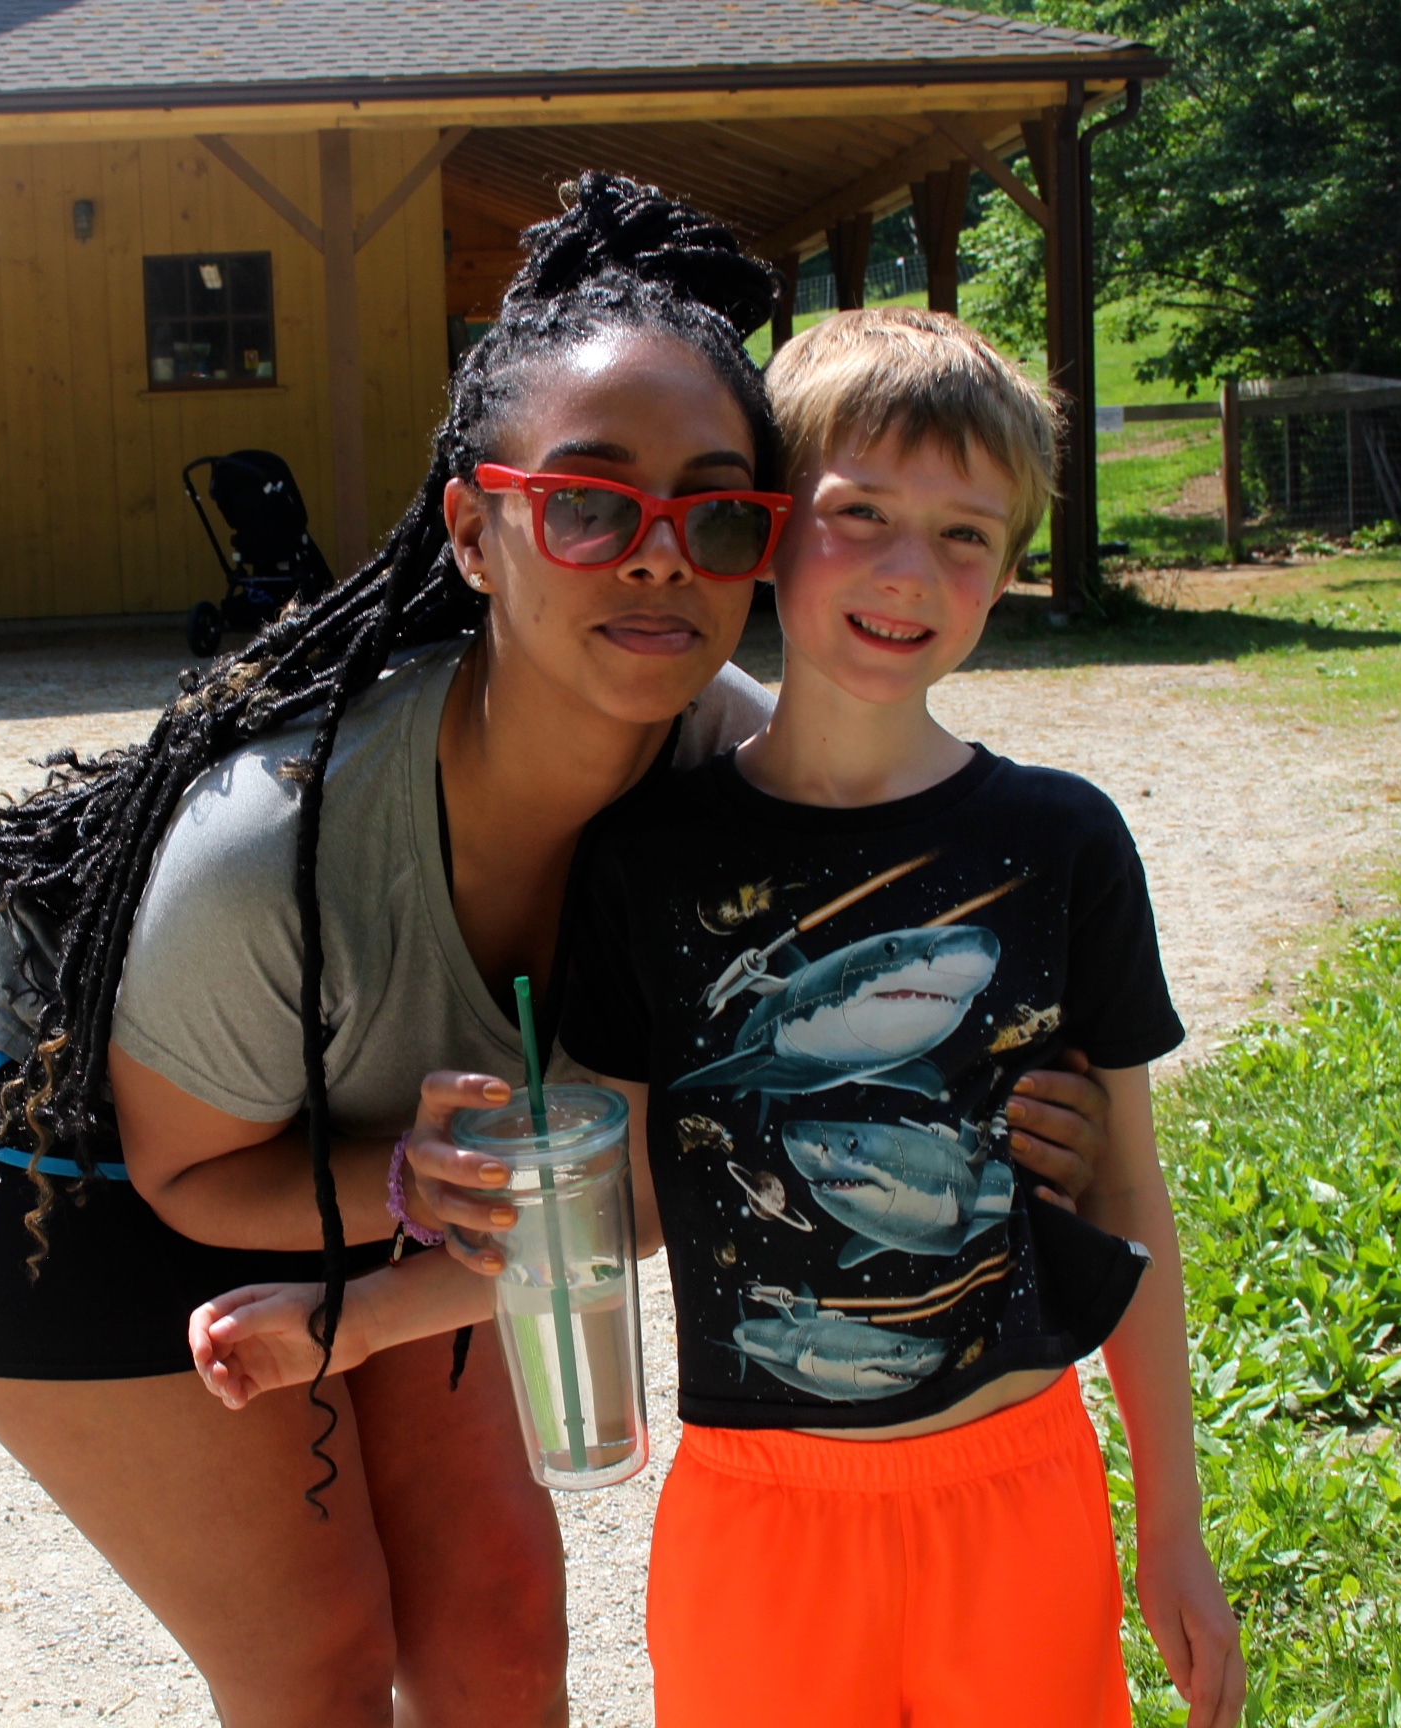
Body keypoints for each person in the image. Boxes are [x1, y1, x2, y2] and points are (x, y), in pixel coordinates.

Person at [0, 182, 1118, 1728]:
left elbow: (710, 1132)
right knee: (317, 1649)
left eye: (718, 511)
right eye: (588, 504)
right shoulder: (275, 845)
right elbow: (195, 1172)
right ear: (474, 531)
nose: (656, 558)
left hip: (376, 1121)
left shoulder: (734, 792)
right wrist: (407, 1179)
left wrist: (1019, 1100)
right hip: (65, 1121)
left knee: (500, 1623)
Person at [192, 308, 1246, 1727]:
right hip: (760, 1520)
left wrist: (1173, 1526)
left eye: (965, 535)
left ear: (1007, 572)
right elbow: (603, 1204)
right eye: (860, 513)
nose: (906, 569)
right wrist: (357, 1321)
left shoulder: (1065, 842)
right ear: (767, 533)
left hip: (1021, 1488)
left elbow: (1128, 1192)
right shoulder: (646, 859)